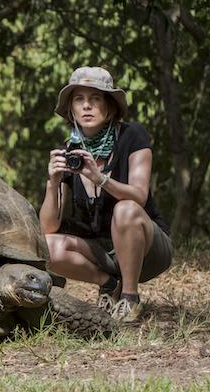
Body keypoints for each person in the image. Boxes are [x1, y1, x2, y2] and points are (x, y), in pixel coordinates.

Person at [39, 66, 173, 323]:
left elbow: (139, 197)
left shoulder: (132, 136)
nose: (86, 106)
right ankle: (109, 284)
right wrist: (53, 182)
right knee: (46, 246)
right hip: (100, 250)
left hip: (147, 249)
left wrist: (99, 178)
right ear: (71, 110)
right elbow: (48, 226)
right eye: (79, 99)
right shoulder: (70, 152)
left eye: (95, 98)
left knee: (126, 209)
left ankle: (129, 297)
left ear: (110, 107)